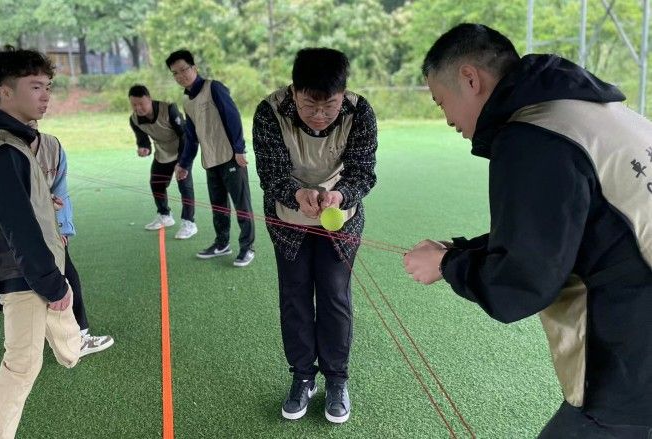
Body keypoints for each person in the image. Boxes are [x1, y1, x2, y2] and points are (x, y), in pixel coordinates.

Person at [404, 23, 652, 437]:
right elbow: (558, 232)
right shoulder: (591, 112)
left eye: (441, 101)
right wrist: (457, 252)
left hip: (630, 372)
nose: (447, 119)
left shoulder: (532, 136)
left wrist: (447, 265)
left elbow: (522, 283)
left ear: (470, 79)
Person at [252, 48, 377, 424]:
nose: (320, 116)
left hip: (341, 218)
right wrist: (297, 194)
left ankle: (337, 380)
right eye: (310, 106)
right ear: (294, 92)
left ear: (343, 94)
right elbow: (270, 173)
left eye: (330, 106)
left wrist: (340, 195)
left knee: (335, 296)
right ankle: (302, 376)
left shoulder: (359, 111)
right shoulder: (269, 111)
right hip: (288, 219)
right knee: (295, 296)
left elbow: (362, 171)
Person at [0, 47, 80, 438]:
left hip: (34, 267)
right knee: (21, 367)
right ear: (5, 92)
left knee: (65, 330)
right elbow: (18, 226)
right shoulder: (0, 150)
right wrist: (50, 283)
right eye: (35, 87)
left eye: (48, 87)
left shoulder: (11, 143)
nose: (45, 96)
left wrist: (45, 200)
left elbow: (19, 204)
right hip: (23, 275)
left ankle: (71, 346)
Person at [0, 88, 114, 358]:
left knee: (64, 275)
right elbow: (3, 203)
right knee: (11, 274)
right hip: (9, 231)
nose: (44, 97)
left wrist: (63, 227)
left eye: (46, 87)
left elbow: (60, 189)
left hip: (46, 228)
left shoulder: (52, 147)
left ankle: (79, 334)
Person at [166, 49, 256, 267]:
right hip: (210, 161)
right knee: (219, 207)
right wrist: (184, 164)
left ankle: (247, 248)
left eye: (184, 70)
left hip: (230, 157)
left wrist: (239, 149)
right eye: (175, 73)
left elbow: (232, 116)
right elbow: (191, 136)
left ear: (194, 68)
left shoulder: (213, 87)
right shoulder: (187, 101)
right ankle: (222, 244)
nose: (181, 75)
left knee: (242, 205)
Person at [128, 84, 198, 239]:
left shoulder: (169, 109)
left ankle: (189, 223)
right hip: (163, 152)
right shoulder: (134, 120)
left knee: (184, 185)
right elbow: (143, 140)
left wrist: (182, 163)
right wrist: (144, 149)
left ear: (149, 99)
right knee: (156, 183)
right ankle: (165, 216)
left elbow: (184, 135)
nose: (138, 108)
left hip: (183, 149)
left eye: (141, 104)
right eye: (134, 105)